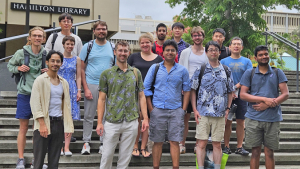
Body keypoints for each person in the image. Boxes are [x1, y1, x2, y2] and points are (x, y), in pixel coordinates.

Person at [96, 41, 149, 169]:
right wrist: (99, 122)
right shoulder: (106, 74)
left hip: (131, 120)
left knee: (125, 157)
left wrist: (145, 118)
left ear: (129, 52)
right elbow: (101, 100)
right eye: (120, 50)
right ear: (115, 52)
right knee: (107, 155)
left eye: (125, 51)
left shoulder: (136, 73)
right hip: (112, 120)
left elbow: (141, 96)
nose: (123, 53)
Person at [240, 45, 289, 169]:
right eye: (261, 55)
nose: (264, 56)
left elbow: (285, 94)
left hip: (272, 118)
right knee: (255, 152)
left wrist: (267, 105)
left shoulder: (278, 72)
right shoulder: (249, 73)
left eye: (266, 54)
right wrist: (264, 99)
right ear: (255, 58)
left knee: (269, 153)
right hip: (253, 118)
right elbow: (243, 95)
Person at [144, 40, 191, 169]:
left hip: (176, 110)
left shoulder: (182, 70)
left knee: (175, 142)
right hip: (158, 110)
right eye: (167, 50)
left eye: (172, 50)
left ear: (176, 53)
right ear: (163, 52)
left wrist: (183, 109)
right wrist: (151, 109)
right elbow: (146, 89)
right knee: (157, 142)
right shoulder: (155, 68)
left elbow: (187, 90)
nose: (170, 52)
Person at [7, 27, 48, 169]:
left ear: (44, 38)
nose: (37, 38)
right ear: (29, 38)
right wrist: (18, 68)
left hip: (41, 95)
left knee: (38, 129)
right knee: (23, 128)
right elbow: (10, 66)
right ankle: (20, 159)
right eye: (35, 35)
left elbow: (55, 70)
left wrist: (50, 71)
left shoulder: (46, 53)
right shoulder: (21, 53)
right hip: (25, 94)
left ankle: (37, 160)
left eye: (40, 36)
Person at [190, 41, 234, 169]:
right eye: (210, 50)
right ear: (206, 52)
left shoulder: (226, 70)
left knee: (217, 144)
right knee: (201, 144)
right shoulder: (201, 69)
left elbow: (230, 91)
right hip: (203, 112)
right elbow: (193, 89)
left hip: (220, 113)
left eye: (216, 50)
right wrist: (194, 109)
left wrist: (227, 109)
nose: (213, 52)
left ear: (220, 52)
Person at [30, 50, 74, 169]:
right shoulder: (40, 80)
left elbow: (67, 105)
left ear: (61, 63)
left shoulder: (64, 82)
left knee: (54, 160)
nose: (55, 63)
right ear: (47, 62)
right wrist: (42, 124)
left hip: (58, 123)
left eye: (58, 61)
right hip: (43, 124)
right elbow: (35, 103)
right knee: (38, 160)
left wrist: (68, 125)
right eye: (52, 61)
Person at [80, 21, 115, 155]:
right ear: (94, 31)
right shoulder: (88, 46)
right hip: (91, 83)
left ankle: (103, 143)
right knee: (89, 115)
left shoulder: (112, 46)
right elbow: (82, 69)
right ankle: (86, 142)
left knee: (106, 116)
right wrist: (85, 88)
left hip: (108, 86)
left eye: (104, 29)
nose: (101, 31)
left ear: (107, 31)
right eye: (99, 29)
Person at [128, 32, 163, 157]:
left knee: (147, 120)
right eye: (142, 43)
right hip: (134, 93)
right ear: (139, 44)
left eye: (147, 42)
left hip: (152, 94)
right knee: (137, 120)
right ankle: (135, 145)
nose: (145, 45)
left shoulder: (159, 59)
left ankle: (144, 146)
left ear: (152, 43)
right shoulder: (133, 57)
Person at [220, 37, 252, 156]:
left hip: (242, 96)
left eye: (239, 44)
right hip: (227, 96)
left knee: (241, 121)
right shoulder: (223, 61)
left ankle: (239, 146)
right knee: (227, 121)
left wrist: (236, 87)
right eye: (234, 44)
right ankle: (226, 146)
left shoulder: (247, 61)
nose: (236, 46)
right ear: (230, 47)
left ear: (242, 47)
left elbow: (248, 77)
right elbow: (221, 77)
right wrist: (230, 91)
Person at [179, 26, 208, 154]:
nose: (197, 37)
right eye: (195, 35)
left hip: (203, 89)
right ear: (192, 37)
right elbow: (180, 70)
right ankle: (181, 143)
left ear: (203, 36)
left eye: (199, 35)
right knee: (185, 117)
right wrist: (180, 86)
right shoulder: (186, 52)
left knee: (200, 118)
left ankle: (198, 145)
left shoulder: (208, 52)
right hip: (187, 88)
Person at [57, 36, 81, 156]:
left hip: (72, 88)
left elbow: (79, 76)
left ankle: (66, 147)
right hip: (59, 87)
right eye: (68, 44)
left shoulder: (77, 59)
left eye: (72, 44)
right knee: (59, 118)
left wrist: (79, 90)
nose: (70, 46)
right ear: (63, 44)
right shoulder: (58, 57)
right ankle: (59, 147)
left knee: (69, 119)